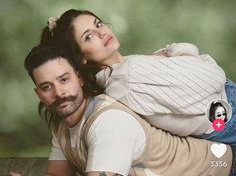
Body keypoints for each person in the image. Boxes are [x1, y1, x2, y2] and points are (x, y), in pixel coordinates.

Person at [0, 45, 235, 176]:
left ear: (80, 78)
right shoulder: (62, 121)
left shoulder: (107, 121)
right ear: (38, 94)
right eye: (47, 86)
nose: (59, 92)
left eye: (64, 80)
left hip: (225, 172)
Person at [38, 9, 236, 144]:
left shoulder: (119, 74)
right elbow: (215, 76)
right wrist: (182, 53)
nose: (101, 32)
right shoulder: (130, 75)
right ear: (81, 58)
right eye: (88, 37)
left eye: (98, 24)